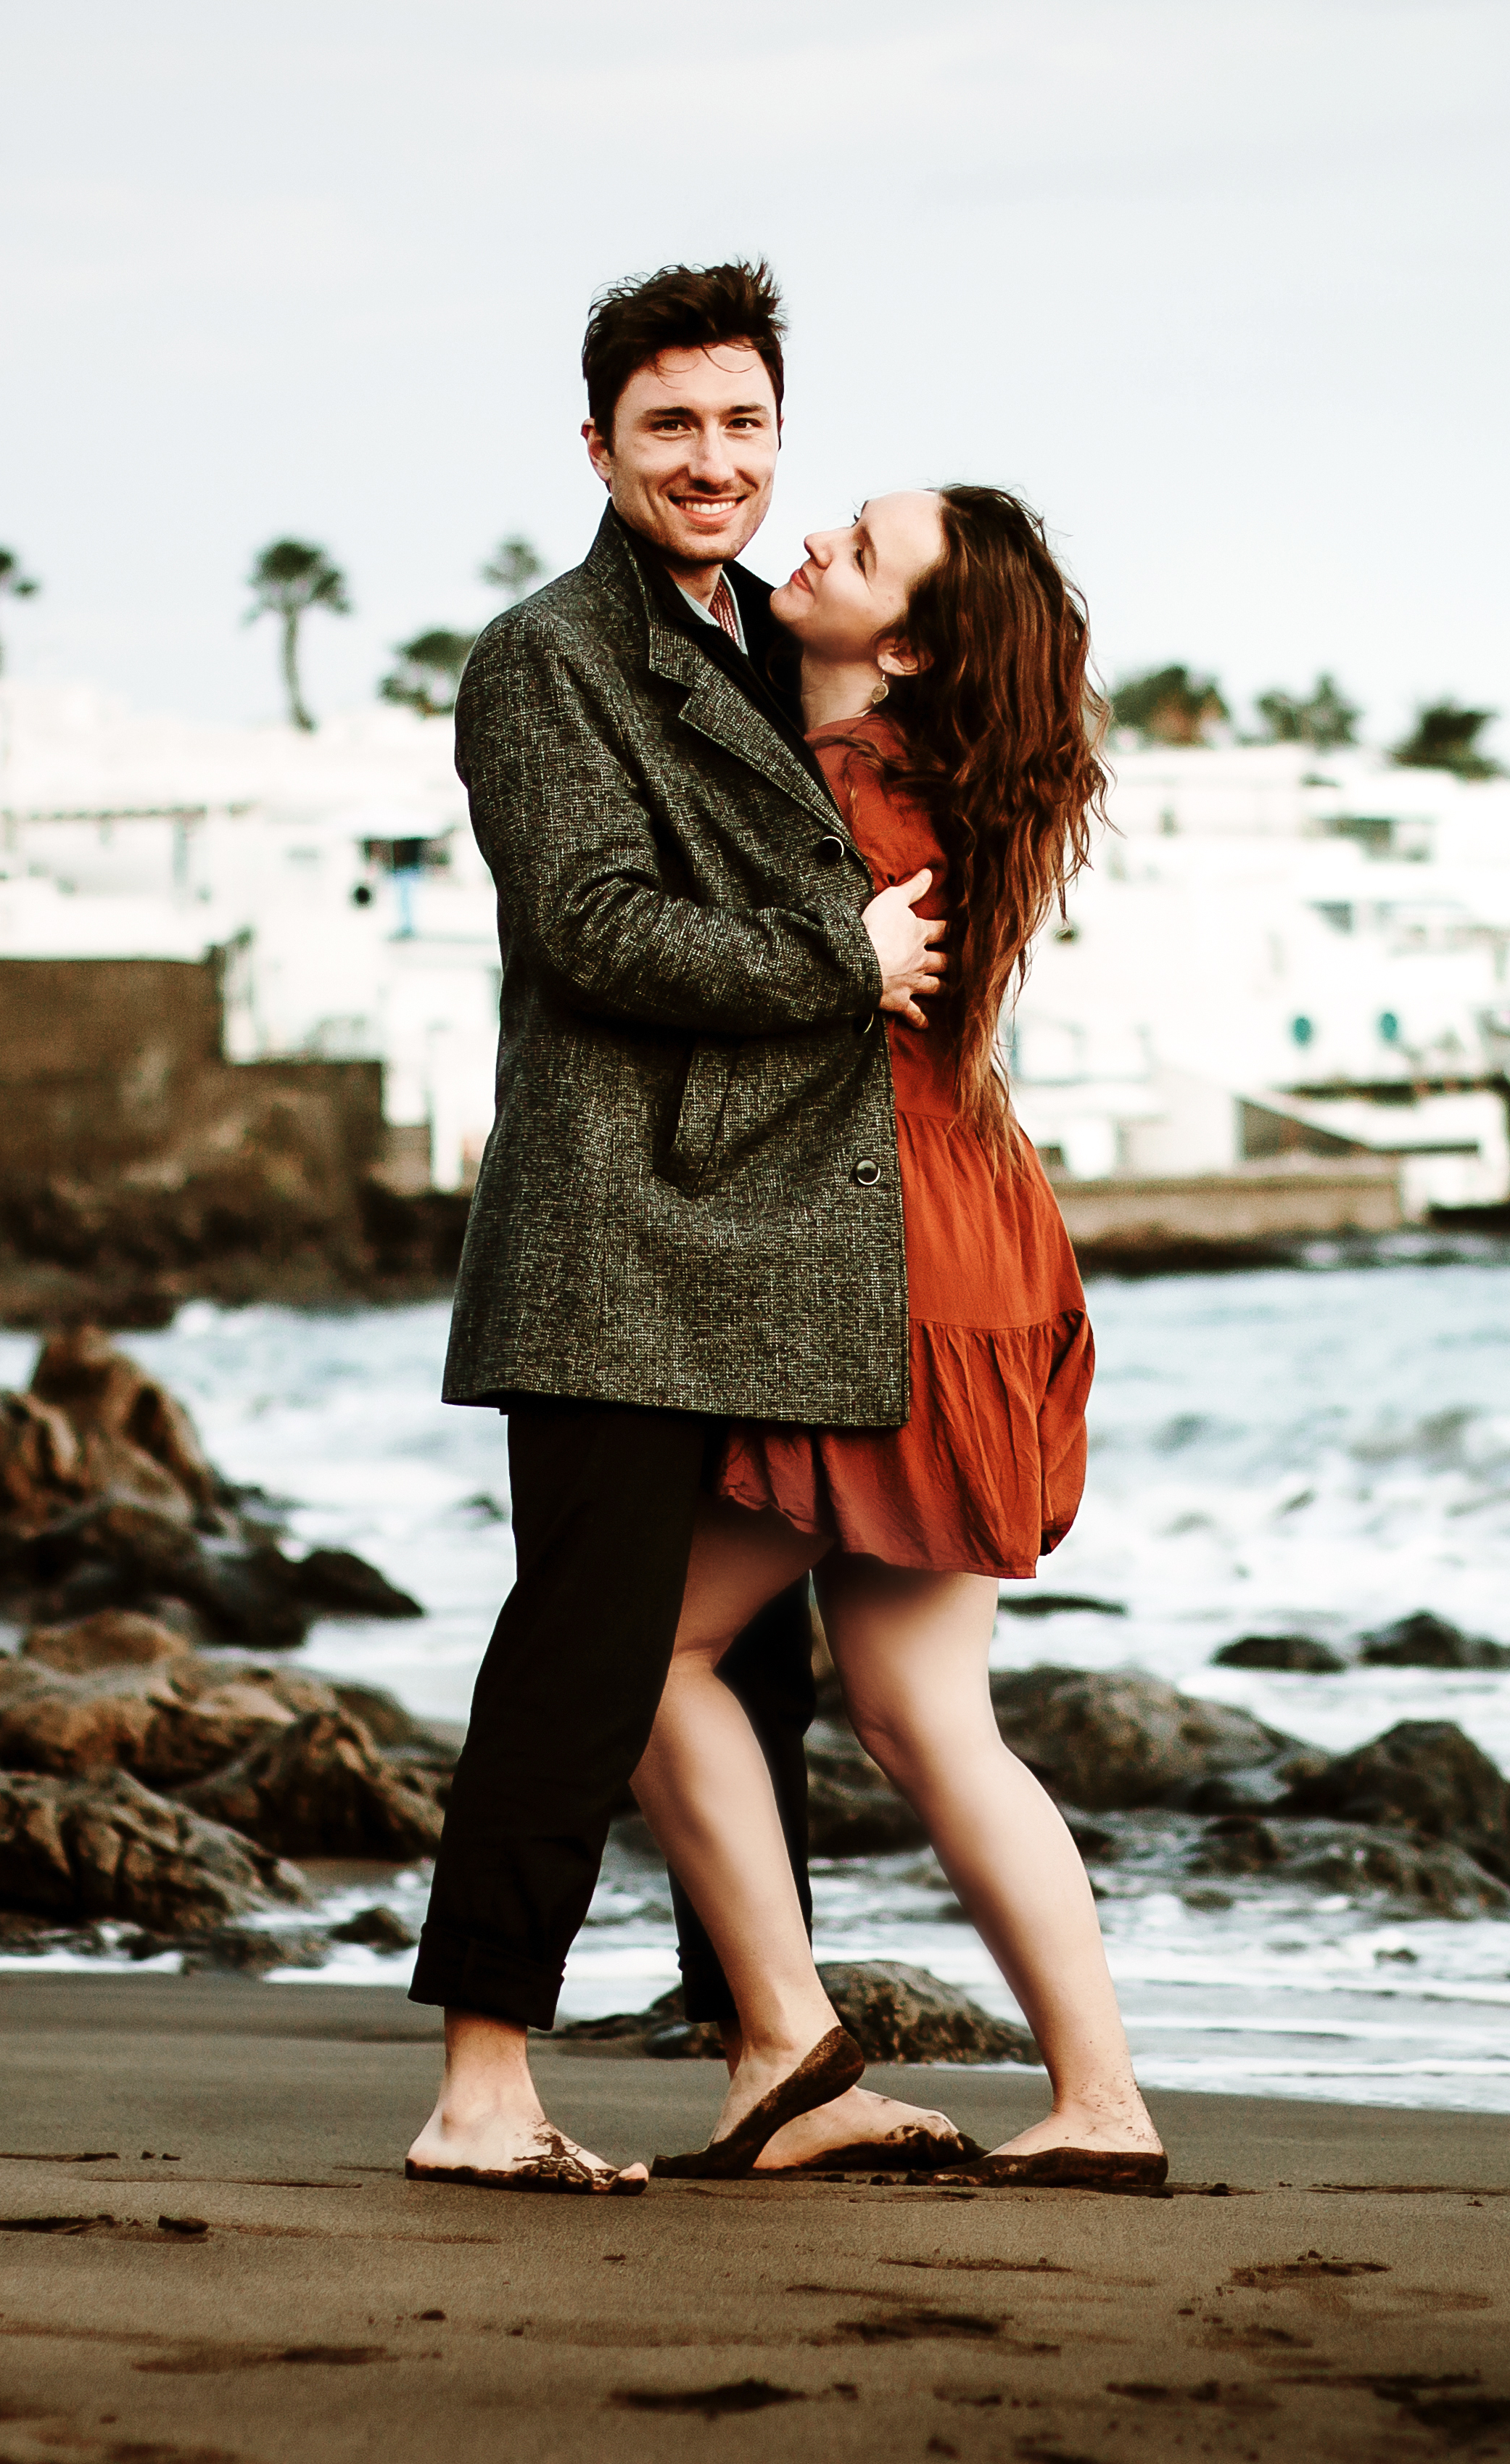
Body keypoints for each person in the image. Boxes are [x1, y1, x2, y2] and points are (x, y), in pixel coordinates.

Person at [403, 263, 957, 2193]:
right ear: (599, 446)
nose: (713, 461)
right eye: (670, 428)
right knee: (588, 1654)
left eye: (742, 425)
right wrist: (846, 952)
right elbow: (597, 928)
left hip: (769, 1247)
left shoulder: (765, 642)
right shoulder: (544, 657)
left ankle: (766, 2069)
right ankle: (481, 2083)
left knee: (757, 1675)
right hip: (614, 1244)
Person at [625, 485, 1165, 2188]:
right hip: (974, 1239)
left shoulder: (844, 802)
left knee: (633, 1642)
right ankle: (1101, 2101)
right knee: (928, 1711)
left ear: (914, 645)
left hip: (892, 1263)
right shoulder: (953, 794)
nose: (812, 551)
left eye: (856, 556)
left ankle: (792, 2046)